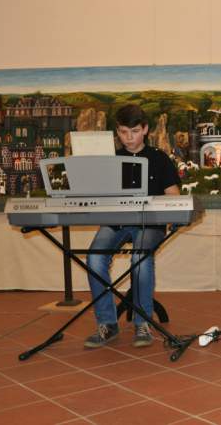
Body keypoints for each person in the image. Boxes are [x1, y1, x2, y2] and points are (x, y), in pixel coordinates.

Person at [84, 104, 181, 349]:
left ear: (145, 129)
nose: (129, 138)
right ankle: (107, 323)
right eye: (124, 132)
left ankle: (142, 322)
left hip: (150, 223)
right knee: (94, 258)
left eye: (135, 131)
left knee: (140, 256)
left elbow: (173, 195)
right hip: (116, 222)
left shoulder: (159, 158)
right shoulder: (110, 160)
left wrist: (165, 209)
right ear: (117, 131)